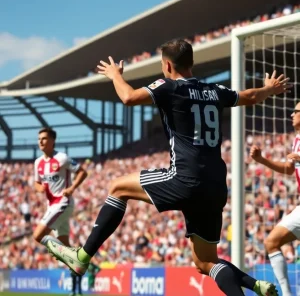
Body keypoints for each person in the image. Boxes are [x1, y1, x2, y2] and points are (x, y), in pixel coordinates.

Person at [47, 39, 291, 295]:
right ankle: (255, 285)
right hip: (216, 186)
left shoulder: (168, 86)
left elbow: (129, 97)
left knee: (117, 187)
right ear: (192, 63)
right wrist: (269, 89)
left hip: (185, 178)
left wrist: (115, 76)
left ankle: (83, 256)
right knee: (206, 262)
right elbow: (250, 96)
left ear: (167, 65)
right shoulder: (213, 90)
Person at [250, 103, 300, 296]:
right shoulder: (297, 139)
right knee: (271, 241)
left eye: (296, 111)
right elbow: (289, 169)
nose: (291, 114)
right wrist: (262, 160)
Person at [33, 127, 87, 296]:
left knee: (37, 236)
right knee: (66, 249)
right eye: (39, 139)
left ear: (52, 141)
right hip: (52, 206)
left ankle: (77, 260)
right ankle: (78, 280)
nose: (40, 141)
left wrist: (72, 188)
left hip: (63, 203)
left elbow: (82, 172)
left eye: (44, 138)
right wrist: (39, 188)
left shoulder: (62, 158)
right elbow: (36, 183)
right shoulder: (38, 163)